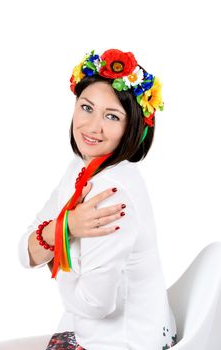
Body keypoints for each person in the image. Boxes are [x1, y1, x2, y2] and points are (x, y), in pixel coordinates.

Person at [19, 49, 177, 350]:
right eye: (86, 107)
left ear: (132, 128)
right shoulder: (80, 167)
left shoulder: (112, 196)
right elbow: (24, 253)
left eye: (112, 116)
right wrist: (66, 227)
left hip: (124, 343)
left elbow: (94, 304)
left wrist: (55, 244)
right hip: (92, 334)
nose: (93, 127)